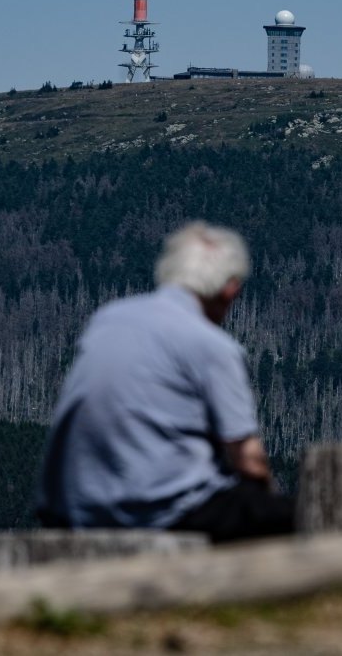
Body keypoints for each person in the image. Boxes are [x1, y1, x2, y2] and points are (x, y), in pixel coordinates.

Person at [35, 221, 295, 542]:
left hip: (81, 507)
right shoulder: (211, 345)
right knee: (294, 519)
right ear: (230, 289)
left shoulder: (109, 318)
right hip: (163, 510)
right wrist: (267, 499)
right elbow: (248, 458)